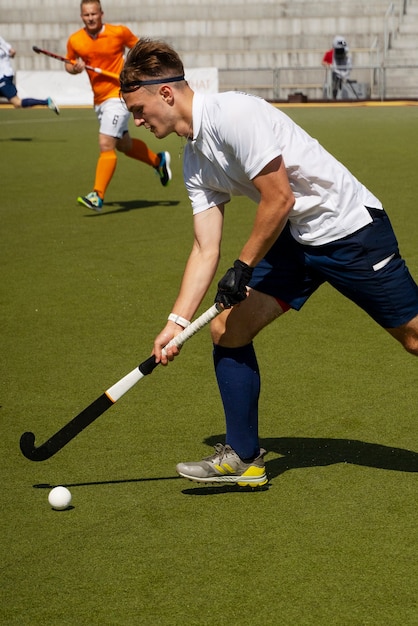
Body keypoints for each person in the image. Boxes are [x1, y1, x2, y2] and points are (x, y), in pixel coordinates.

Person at [120, 39, 418, 488]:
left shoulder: (233, 116)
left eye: (139, 109)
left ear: (165, 93)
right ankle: (243, 457)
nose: (137, 121)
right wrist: (176, 322)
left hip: (349, 229)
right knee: (227, 329)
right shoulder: (193, 157)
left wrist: (242, 267)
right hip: (296, 238)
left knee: (414, 338)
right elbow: (205, 247)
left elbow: (280, 197)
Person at [66, 0, 171, 211]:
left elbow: (140, 50)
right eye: (87, 15)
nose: (91, 18)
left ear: (101, 13)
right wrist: (74, 68)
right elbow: (69, 63)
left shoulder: (118, 32)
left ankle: (97, 195)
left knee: (106, 143)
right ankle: (158, 162)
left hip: (120, 95)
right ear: (81, 17)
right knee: (124, 144)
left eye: (94, 14)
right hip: (100, 100)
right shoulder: (75, 40)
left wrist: (136, 73)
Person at [0, 36, 59, 114]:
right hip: (4, 74)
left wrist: (7, 54)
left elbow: (12, 52)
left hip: (3, 77)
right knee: (16, 103)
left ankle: (46, 102)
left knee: (17, 103)